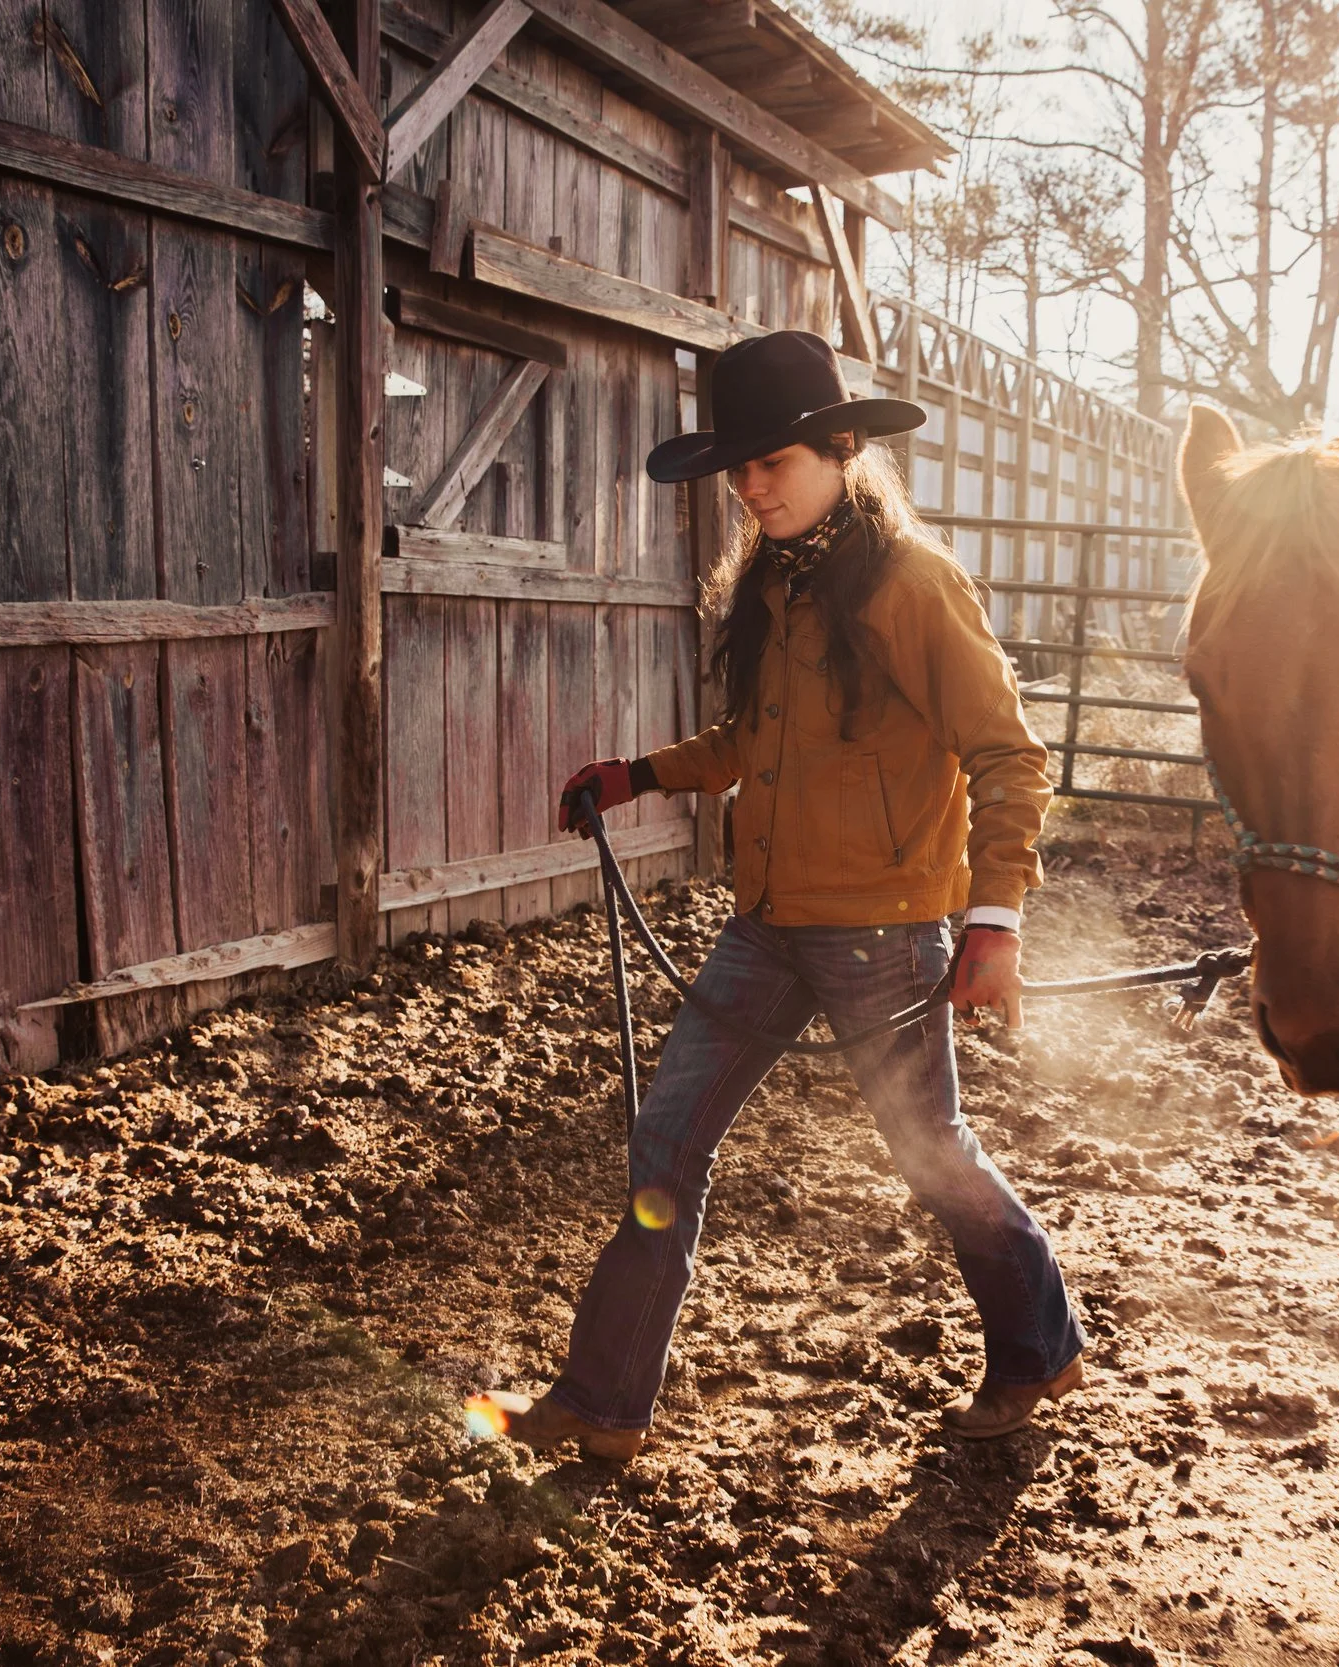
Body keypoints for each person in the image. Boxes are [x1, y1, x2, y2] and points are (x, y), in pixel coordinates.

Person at [468, 330, 1085, 1463]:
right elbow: (754, 740)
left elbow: (1008, 754)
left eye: (774, 463)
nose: (752, 487)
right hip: (768, 925)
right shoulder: (775, 584)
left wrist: (993, 916)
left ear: (842, 448)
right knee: (666, 1140)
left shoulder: (912, 583)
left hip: (888, 933)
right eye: (739, 469)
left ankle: (1038, 1345)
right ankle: (603, 1399)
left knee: (931, 1154)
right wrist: (642, 773)